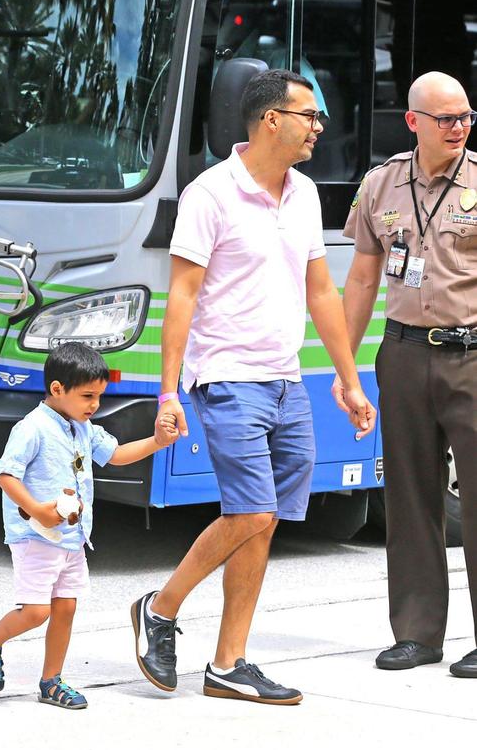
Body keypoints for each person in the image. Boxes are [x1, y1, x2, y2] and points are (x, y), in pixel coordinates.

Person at [130, 69, 376, 705]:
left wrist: (347, 382)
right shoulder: (210, 194)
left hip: (287, 380)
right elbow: (180, 295)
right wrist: (167, 393)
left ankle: (227, 663)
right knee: (253, 511)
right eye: (308, 115)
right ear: (272, 120)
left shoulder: (303, 193)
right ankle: (161, 608)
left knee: (262, 525)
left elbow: (320, 290)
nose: (318, 127)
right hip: (226, 377)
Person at [339, 71, 477, 679]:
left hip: (471, 355)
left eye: (467, 117)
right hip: (402, 353)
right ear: (414, 121)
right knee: (410, 496)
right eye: (446, 118)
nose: (459, 128)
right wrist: (345, 368)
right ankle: (417, 634)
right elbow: (364, 278)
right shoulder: (381, 184)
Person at [0, 343, 178, 709]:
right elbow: (5, 474)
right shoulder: (32, 427)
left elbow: (115, 455)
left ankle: (51, 681)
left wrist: (158, 442)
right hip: (36, 536)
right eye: (87, 396)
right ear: (57, 389)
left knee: (65, 608)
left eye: (99, 396)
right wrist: (37, 509)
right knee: (37, 612)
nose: (94, 405)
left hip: (73, 537)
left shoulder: (84, 428)